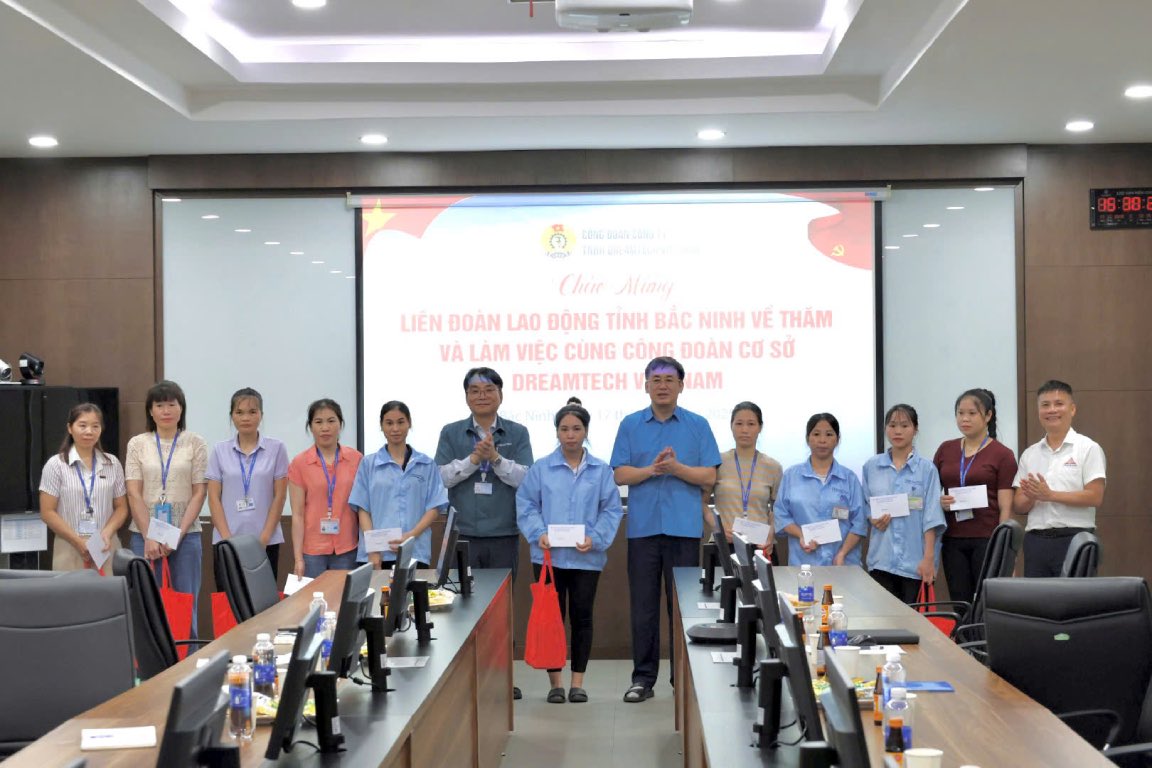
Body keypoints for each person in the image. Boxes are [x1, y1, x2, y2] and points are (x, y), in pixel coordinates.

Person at [611, 357, 720, 703]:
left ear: (681, 385)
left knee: (683, 606)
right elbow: (620, 474)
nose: (662, 385)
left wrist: (676, 468)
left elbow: (709, 477)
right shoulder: (630, 425)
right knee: (643, 607)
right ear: (645, 385)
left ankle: (683, 678)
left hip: (684, 530)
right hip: (643, 530)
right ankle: (643, 678)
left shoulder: (697, 425)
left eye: (669, 379)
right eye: (655, 379)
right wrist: (653, 471)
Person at [436, 367, 533, 698]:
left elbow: (526, 478)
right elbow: (441, 478)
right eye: (474, 390)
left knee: (501, 609)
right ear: (466, 396)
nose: (481, 395)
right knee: (463, 609)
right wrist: (473, 460)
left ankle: (503, 677)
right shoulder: (451, 433)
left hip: (504, 532)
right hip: (463, 535)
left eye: (488, 389)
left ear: (500, 394)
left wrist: (496, 458)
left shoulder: (517, 432)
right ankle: (466, 677)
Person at [516, 402, 623, 703]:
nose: (570, 435)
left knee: (582, 617)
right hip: (548, 557)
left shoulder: (601, 470)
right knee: (552, 619)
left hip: (586, 557)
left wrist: (597, 537)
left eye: (576, 429)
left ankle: (578, 682)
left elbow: (611, 510)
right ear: (557, 432)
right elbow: (526, 505)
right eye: (564, 429)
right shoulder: (541, 468)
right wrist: (539, 534)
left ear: (586, 431)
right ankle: (555, 684)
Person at [125, 380, 209, 633]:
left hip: (186, 537)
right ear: (150, 411)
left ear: (181, 409)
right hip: (144, 537)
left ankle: (187, 669)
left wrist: (176, 536)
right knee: (147, 607)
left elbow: (199, 492)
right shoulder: (137, 444)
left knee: (185, 607)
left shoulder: (196, 443)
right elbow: (133, 492)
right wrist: (150, 535)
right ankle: (153, 671)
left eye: (172, 404)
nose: (166, 410)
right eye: (159, 405)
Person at [932, 388, 1018, 604]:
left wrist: (1005, 547)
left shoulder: (1003, 454)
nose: (965, 419)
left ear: (988, 416)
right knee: (959, 601)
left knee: (986, 602)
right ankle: (962, 639)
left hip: (987, 538)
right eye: (960, 413)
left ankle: (982, 639)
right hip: (952, 538)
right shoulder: (946, 449)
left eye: (972, 413)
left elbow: (1006, 508)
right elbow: (931, 493)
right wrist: (939, 502)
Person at [1013, 380, 1106, 577]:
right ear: (1038, 411)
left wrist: (1050, 495)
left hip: (1076, 539)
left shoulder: (1088, 448)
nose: (1052, 410)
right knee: (1037, 604)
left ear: (1072, 409)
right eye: (1045, 405)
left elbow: (1095, 497)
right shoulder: (1030, 454)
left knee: (1077, 604)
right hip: (1036, 542)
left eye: (1058, 404)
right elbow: (1019, 506)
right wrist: (1033, 496)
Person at [862, 404, 946, 603]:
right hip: (881, 559)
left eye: (904, 425)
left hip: (915, 562)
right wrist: (872, 518)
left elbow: (932, 517)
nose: (897, 431)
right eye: (892, 425)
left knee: (914, 628)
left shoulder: (927, 469)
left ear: (915, 429)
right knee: (885, 625)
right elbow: (865, 505)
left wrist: (928, 559)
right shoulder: (872, 467)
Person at [351, 401, 448, 569]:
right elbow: (362, 509)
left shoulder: (426, 464)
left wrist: (411, 535)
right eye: (389, 423)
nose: (395, 428)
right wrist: (373, 549)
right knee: (378, 596)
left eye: (400, 422)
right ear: (381, 426)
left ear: (409, 423)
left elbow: (434, 507)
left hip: (415, 550)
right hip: (378, 555)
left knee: (412, 595)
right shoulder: (368, 464)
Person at [206, 388, 290, 579]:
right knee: (227, 604)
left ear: (261, 415)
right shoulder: (220, 450)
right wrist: (228, 541)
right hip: (226, 542)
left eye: (252, 412)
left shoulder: (276, 449)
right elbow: (213, 498)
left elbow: (280, 496)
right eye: (239, 412)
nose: (246, 418)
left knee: (263, 605)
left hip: (265, 542)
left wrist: (264, 540)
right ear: (232, 416)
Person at [38, 403, 128, 572]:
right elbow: (47, 512)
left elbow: (122, 508)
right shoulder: (56, 464)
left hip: (105, 546)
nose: (89, 431)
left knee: (108, 597)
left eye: (95, 426)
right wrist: (79, 542)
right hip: (69, 546)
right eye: (82, 425)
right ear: (70, 428)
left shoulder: (112, 463)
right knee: (71, 597)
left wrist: (106, 534)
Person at [774, 413, 867, 567]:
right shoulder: (791, 476)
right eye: (816, 434)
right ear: (808, 438)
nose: (822, 440)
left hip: (843, 564)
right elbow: (781, 515)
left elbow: (859, 522)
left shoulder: (850, 479)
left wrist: (842, 553)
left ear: (837, 439)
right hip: (803, 562)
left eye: (829, 434)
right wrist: (801, 535)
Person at [288, 399, 363, 578]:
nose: (325, 427)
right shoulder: (299, 463)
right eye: (318, 422)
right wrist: (298, 558)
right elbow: (297, 515)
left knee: (343, 603)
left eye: (331, 421)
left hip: (348, 548)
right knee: (313, 603)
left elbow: (363, 508)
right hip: (312, 551)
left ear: (340, 424)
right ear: (310, 426)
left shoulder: (356, 459)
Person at [706, 401, 782, 557]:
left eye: (751, 424)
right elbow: (702, 502)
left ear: (760, 427)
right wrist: (717, 528)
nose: (745, 429)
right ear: (731, 426)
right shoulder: (717, 462)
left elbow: (778, 509)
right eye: (739, 423)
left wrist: (771, 534)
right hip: (724, 544)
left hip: (761, 546)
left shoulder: (773, 466)